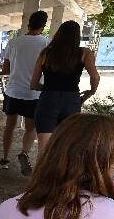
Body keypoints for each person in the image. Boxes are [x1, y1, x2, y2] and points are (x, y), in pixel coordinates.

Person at [29, 20, 100, 154]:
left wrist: (46, 88)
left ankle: (40, 174)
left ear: (58, 34)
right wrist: (91, 91)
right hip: (71, 100)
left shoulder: (46, 53)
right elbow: (95, 76)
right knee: (66, 148)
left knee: (43, 150)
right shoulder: (84, 53)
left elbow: (33, 84)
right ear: (77, 36)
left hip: (48, 99)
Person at [0, 10, 49, 174]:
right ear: (43, 26)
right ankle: (24, 153)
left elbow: (5, 69)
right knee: (30, 128)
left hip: (13, 90)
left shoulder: (13, 42)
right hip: (33, 93)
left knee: (10, 126)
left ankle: (5, 158)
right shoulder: (46, 43)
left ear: (29, 23)